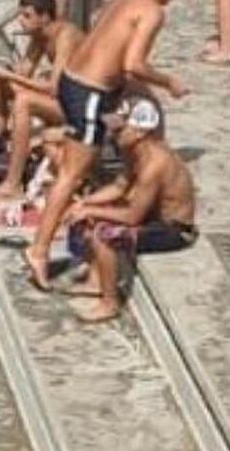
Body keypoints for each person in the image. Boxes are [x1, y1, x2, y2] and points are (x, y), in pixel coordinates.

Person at [23, 0, 190, 291]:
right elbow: (133, 64)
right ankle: (39, 250)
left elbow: (109, 50)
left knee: (120, 139)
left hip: (76, 82)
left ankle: (100, 228)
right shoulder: (153, 11)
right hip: (90, 93)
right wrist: (169, 82)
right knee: (72, 174)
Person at [67, 97, 197, 322]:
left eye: (119, 130)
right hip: (153, 217)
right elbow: (120, 186)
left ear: (139, 132)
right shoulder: (134, 151)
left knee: (104, 235)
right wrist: (86, 203)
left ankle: (110, 303)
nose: (112, 134)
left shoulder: (154, 165)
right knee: (91, 211)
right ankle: (96, 280)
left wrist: (92, 211)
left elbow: (132, 216)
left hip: (174, 230)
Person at [0, 0, 83, 199]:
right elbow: (23, 72)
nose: (21, 21)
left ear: (44, 17)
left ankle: (12, 183)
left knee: (24, 101)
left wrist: (8, 75)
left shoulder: (66, 35)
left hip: (79, 106)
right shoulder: (39, 37)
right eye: (21, 15)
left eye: (27, 16)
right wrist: (3, 73)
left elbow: (54, 88)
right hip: (61, 100)